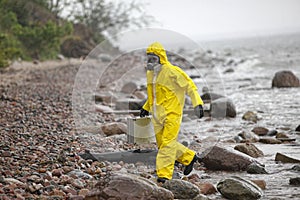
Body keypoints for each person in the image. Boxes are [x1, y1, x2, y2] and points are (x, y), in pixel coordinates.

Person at [140, 42, 204, 183]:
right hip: (157, 115)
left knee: (168, 144)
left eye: (153, 59)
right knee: (163, 144)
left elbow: (190, 86)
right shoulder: (151, 74)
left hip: (172, 114)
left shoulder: (172, 71)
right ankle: (189, 157)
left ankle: (164, 175)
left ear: (161, 58)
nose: (150, 62)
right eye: (149, 59)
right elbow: (154, 94)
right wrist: (146, 107)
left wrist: (197, 103)